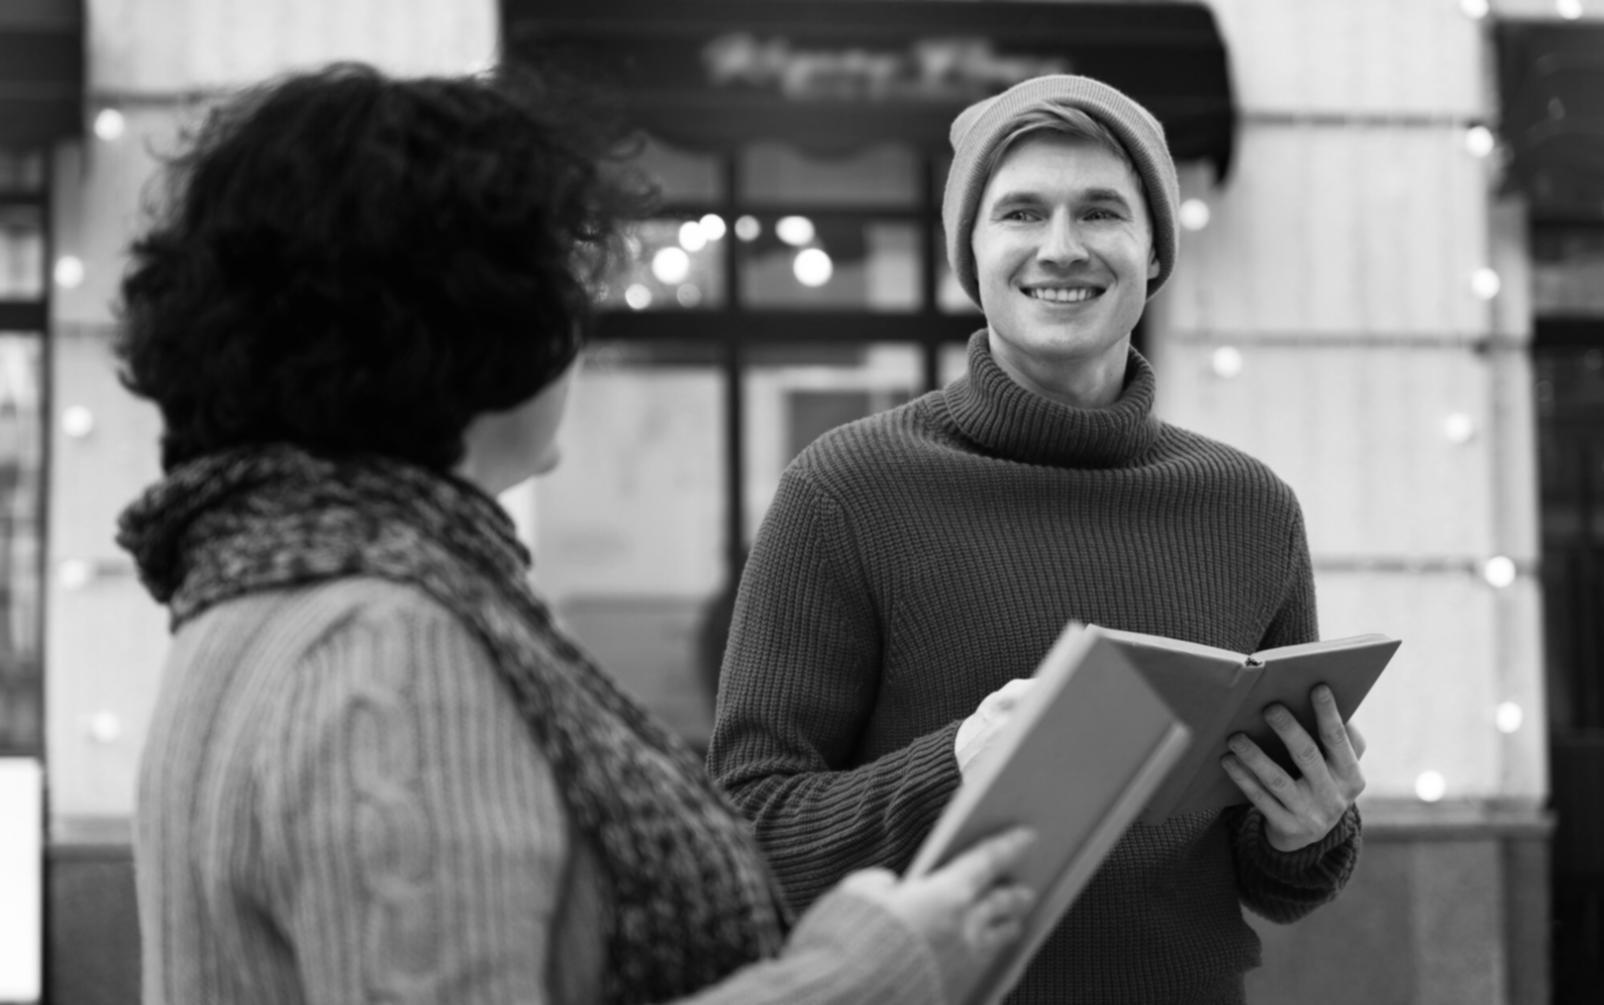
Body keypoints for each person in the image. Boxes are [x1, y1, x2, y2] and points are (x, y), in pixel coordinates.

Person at [112, 62, 1041, 1005]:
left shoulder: (245, 597)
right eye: (555, 282)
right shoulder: (385, 645)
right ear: (475, 322)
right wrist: (872, 967)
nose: (578, 328)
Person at [707, 73, 1367, 1004]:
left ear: (1154, 250)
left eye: (1101, 212)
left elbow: (1273, 879)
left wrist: (1308, 828)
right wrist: (956, 767)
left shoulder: (1250, 509)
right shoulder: (844, 491)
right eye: (1021, 212)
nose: (1061, 247)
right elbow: (748, 830)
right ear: (970, 251)